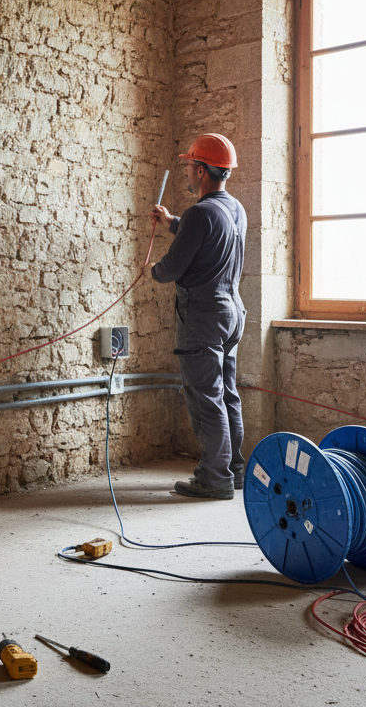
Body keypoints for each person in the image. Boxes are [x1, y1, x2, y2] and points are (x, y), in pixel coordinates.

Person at [149, 133, 247, 500]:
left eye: (190, 166)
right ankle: (234, 471)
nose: (187, 172)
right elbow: (207, 236)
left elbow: (174, 266)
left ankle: (214, 479)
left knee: (205, 398)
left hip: (202, 319)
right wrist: (172, 220)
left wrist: (152, 271)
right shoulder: (234, 208)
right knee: (227, 394)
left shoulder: (200, 212)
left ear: (203, 170)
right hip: (231, 313)